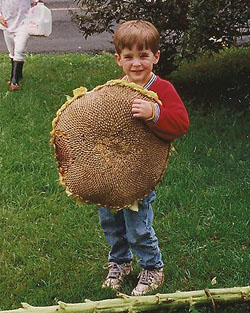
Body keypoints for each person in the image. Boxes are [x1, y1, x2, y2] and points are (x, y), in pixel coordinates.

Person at [99, 20, 189, 296]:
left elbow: (181, 124)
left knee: (138, 226)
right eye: (129, 57)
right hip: (112, 170)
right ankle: (120, 263)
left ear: (156, 57)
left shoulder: (161, 89)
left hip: (142, 173)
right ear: (118, 60)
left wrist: (155, 113)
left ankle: (152, 267)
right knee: (111, 222)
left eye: (143, 56)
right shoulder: (114, 89)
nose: (136, 63)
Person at [0, 0, 40, 91]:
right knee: (12, 51)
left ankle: (14, 81)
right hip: (7, 23)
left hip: (24, 23)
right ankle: (18, 73)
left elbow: (36, 2)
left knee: (19, 50)